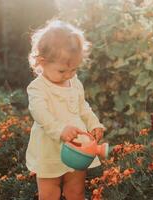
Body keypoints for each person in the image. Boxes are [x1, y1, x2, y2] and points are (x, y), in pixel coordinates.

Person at [25, 19, 105, 200]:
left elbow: (83, 107)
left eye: (74, 70)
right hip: (49, 150)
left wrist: (94, 123)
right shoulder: (37, 88)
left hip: (77, 147)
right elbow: (40, 114)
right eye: (62, 71)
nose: (68, 75)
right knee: (49, 193)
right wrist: (60, 130)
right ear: (41, 62)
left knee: (75, 191)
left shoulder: (74, 82)